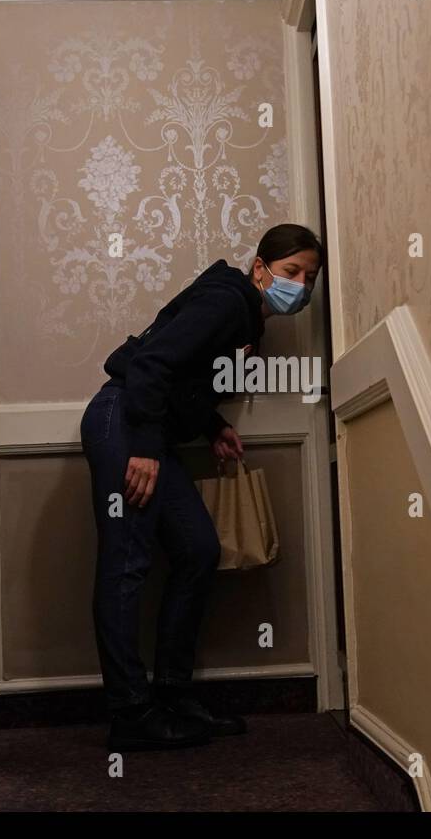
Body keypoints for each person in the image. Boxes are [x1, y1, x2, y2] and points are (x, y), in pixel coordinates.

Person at [79, 224, 325, 751]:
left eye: (309, 278)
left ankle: (171, 694)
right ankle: (130, 712)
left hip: (144, 428)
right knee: (127, 563)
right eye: (290, 272)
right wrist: (144, 445)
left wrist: (212, 425)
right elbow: (149, 364)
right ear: (259, 269)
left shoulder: (243, 318)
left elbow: (182, 381)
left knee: (197, 549)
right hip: (123, 421)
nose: (300, 286)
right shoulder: (226, 302)